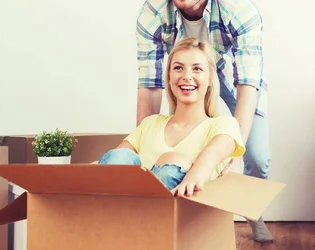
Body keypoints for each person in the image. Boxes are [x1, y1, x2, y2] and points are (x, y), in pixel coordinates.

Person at [134, 0, 273, 242]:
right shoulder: (152, 13)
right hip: (187, 78)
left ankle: (252, 211)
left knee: (257, 156)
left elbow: (247, 83)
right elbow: (150, 84)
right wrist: (145, 149)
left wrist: (234, 155)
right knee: (183, 149)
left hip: (232, 76)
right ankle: (190, 221)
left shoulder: (240, 9)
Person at [98, 37, 245, 198]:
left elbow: (213, 154)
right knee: (119, 156)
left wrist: (194, 176)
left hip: (180, 215)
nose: (187, 76)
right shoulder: (150, 123)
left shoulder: (224, 125)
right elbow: (113, 162)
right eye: (178, 68)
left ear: (210, 78)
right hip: (122, 207)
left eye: (197, 69)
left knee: (173, 161)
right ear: (169, 77)